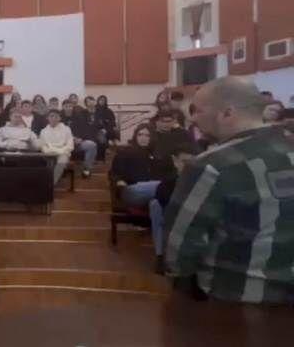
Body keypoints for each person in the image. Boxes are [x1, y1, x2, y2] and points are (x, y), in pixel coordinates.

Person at [164, 76, 294, 303]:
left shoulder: (210, 166)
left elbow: (180, 248)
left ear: (227, 113)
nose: (193, 118)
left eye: (198, 110)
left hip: (233, 299)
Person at [148, 142, 199, 274]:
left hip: (197, 219)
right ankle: (160, 256)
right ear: (175, 161)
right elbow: (162, 199)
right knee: (155, 206)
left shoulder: (202, 180)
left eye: (192, 162)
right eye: (184, 161)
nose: (188, 166)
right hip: (171, 217)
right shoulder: (168, 182)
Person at [109, 124, 168, 211]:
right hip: (131, 190)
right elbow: (115, 173)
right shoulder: (125, 152)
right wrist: (119, 182)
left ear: (152, 137)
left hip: (154, 191)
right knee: (164, 187)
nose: (143, 138)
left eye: (147, 135)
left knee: (156, 204)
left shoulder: (158, 156)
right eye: (140, 135)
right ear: (135, 136)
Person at [65, 99, 98, 178]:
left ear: (73, 107)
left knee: (91, 145)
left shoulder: (79, 117)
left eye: (70, 106)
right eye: (66, 106)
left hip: (77, 142)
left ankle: (87, 169)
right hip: (63, 144)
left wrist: (80, 138)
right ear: (63, 107)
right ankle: (62, 169)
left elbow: (84, 130)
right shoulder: (58, 117)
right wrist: (71, 139)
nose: (68, 108)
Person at [39, 109, 74, 184]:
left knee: (62, 160)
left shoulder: (66, 129)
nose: (54, 118)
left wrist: (60, 151)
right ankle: (46, 182)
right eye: (51, 116)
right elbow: (43, 146)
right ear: (47, 118)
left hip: (62, 152)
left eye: (56, 116)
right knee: (48, 160)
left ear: (60, 118)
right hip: (49, 153)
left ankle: (52, 183)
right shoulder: (43, 131)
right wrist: (50, 151)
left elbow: (70, 145)